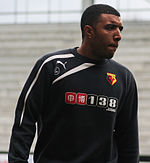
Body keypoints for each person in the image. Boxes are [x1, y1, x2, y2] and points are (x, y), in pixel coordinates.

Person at [8, 4, 139, 163]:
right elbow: (25, 119)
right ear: (89, 31)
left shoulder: (124, 77)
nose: (118, 35)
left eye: (120, 29)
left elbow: (128, 138)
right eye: (110, 27)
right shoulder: (52, 66)